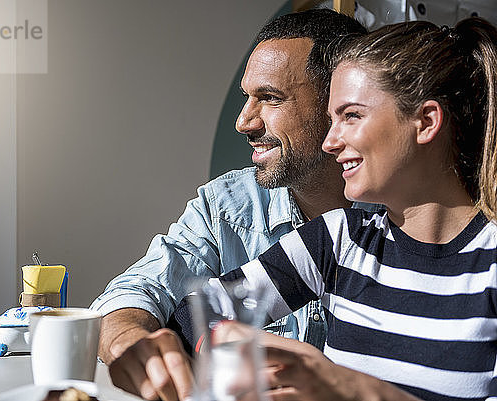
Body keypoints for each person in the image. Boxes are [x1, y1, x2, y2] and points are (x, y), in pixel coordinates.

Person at [197, 17, 497, 401]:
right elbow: (201, 313)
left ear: (425, 122)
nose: (330, 142)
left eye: (351, 116)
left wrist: (350, 388)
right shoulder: (339, 238)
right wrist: (226, 344)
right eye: (330, 120)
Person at [90, 9, 368, 401]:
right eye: (246, 98)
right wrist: (129, 341)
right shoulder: (225, 205)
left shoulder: (398, 222)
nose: (244, 121)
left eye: (270, 98)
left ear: (338, 105)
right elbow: (139, 288)